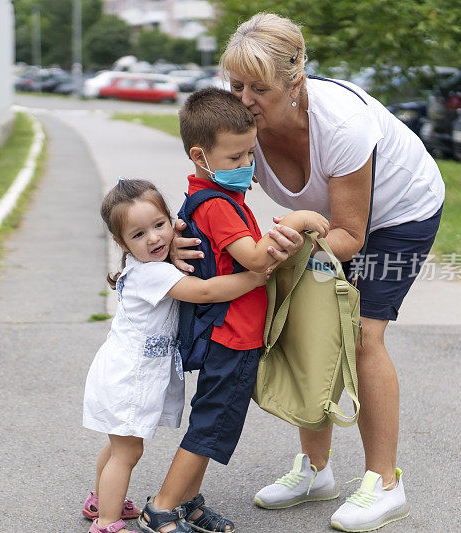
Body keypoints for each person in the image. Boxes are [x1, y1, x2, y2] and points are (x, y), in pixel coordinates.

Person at [172, 12, 444, 533]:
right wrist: (177, 241)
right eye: (235, 84)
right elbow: (215, 197)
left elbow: (349, 234)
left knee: (362, 334)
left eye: (258, 88)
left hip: (397, 215)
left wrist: (276, 252)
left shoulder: (340, 125)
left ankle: (385, 484)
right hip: (319, 227)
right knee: (307, 330)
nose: (243, 99)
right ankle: (317, 471)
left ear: (295, 81)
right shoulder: (241, 128)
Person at [138, 88, 329, 533]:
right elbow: (257, 258)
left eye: (250, 155)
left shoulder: (209, 196)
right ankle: (163, 507)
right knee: (213, 421)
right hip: (232, 332)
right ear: (199, 156)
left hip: (232, 331)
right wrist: (298, 219)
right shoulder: (219, 205)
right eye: (235, 158)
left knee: (216, 422)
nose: (246, 167)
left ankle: (188, 502)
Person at [83, 179, 273, 533]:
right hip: (129, 376)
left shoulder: (148, 266)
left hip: (120, 369)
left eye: (159, 225)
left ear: (172, 221)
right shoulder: (152, 274)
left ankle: (101, 501)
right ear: (121, 243)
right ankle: (107, 523)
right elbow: (204, 291)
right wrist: (256, 277)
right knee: (127, 452)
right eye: (139, 234)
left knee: (118, 444)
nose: (154, 238)